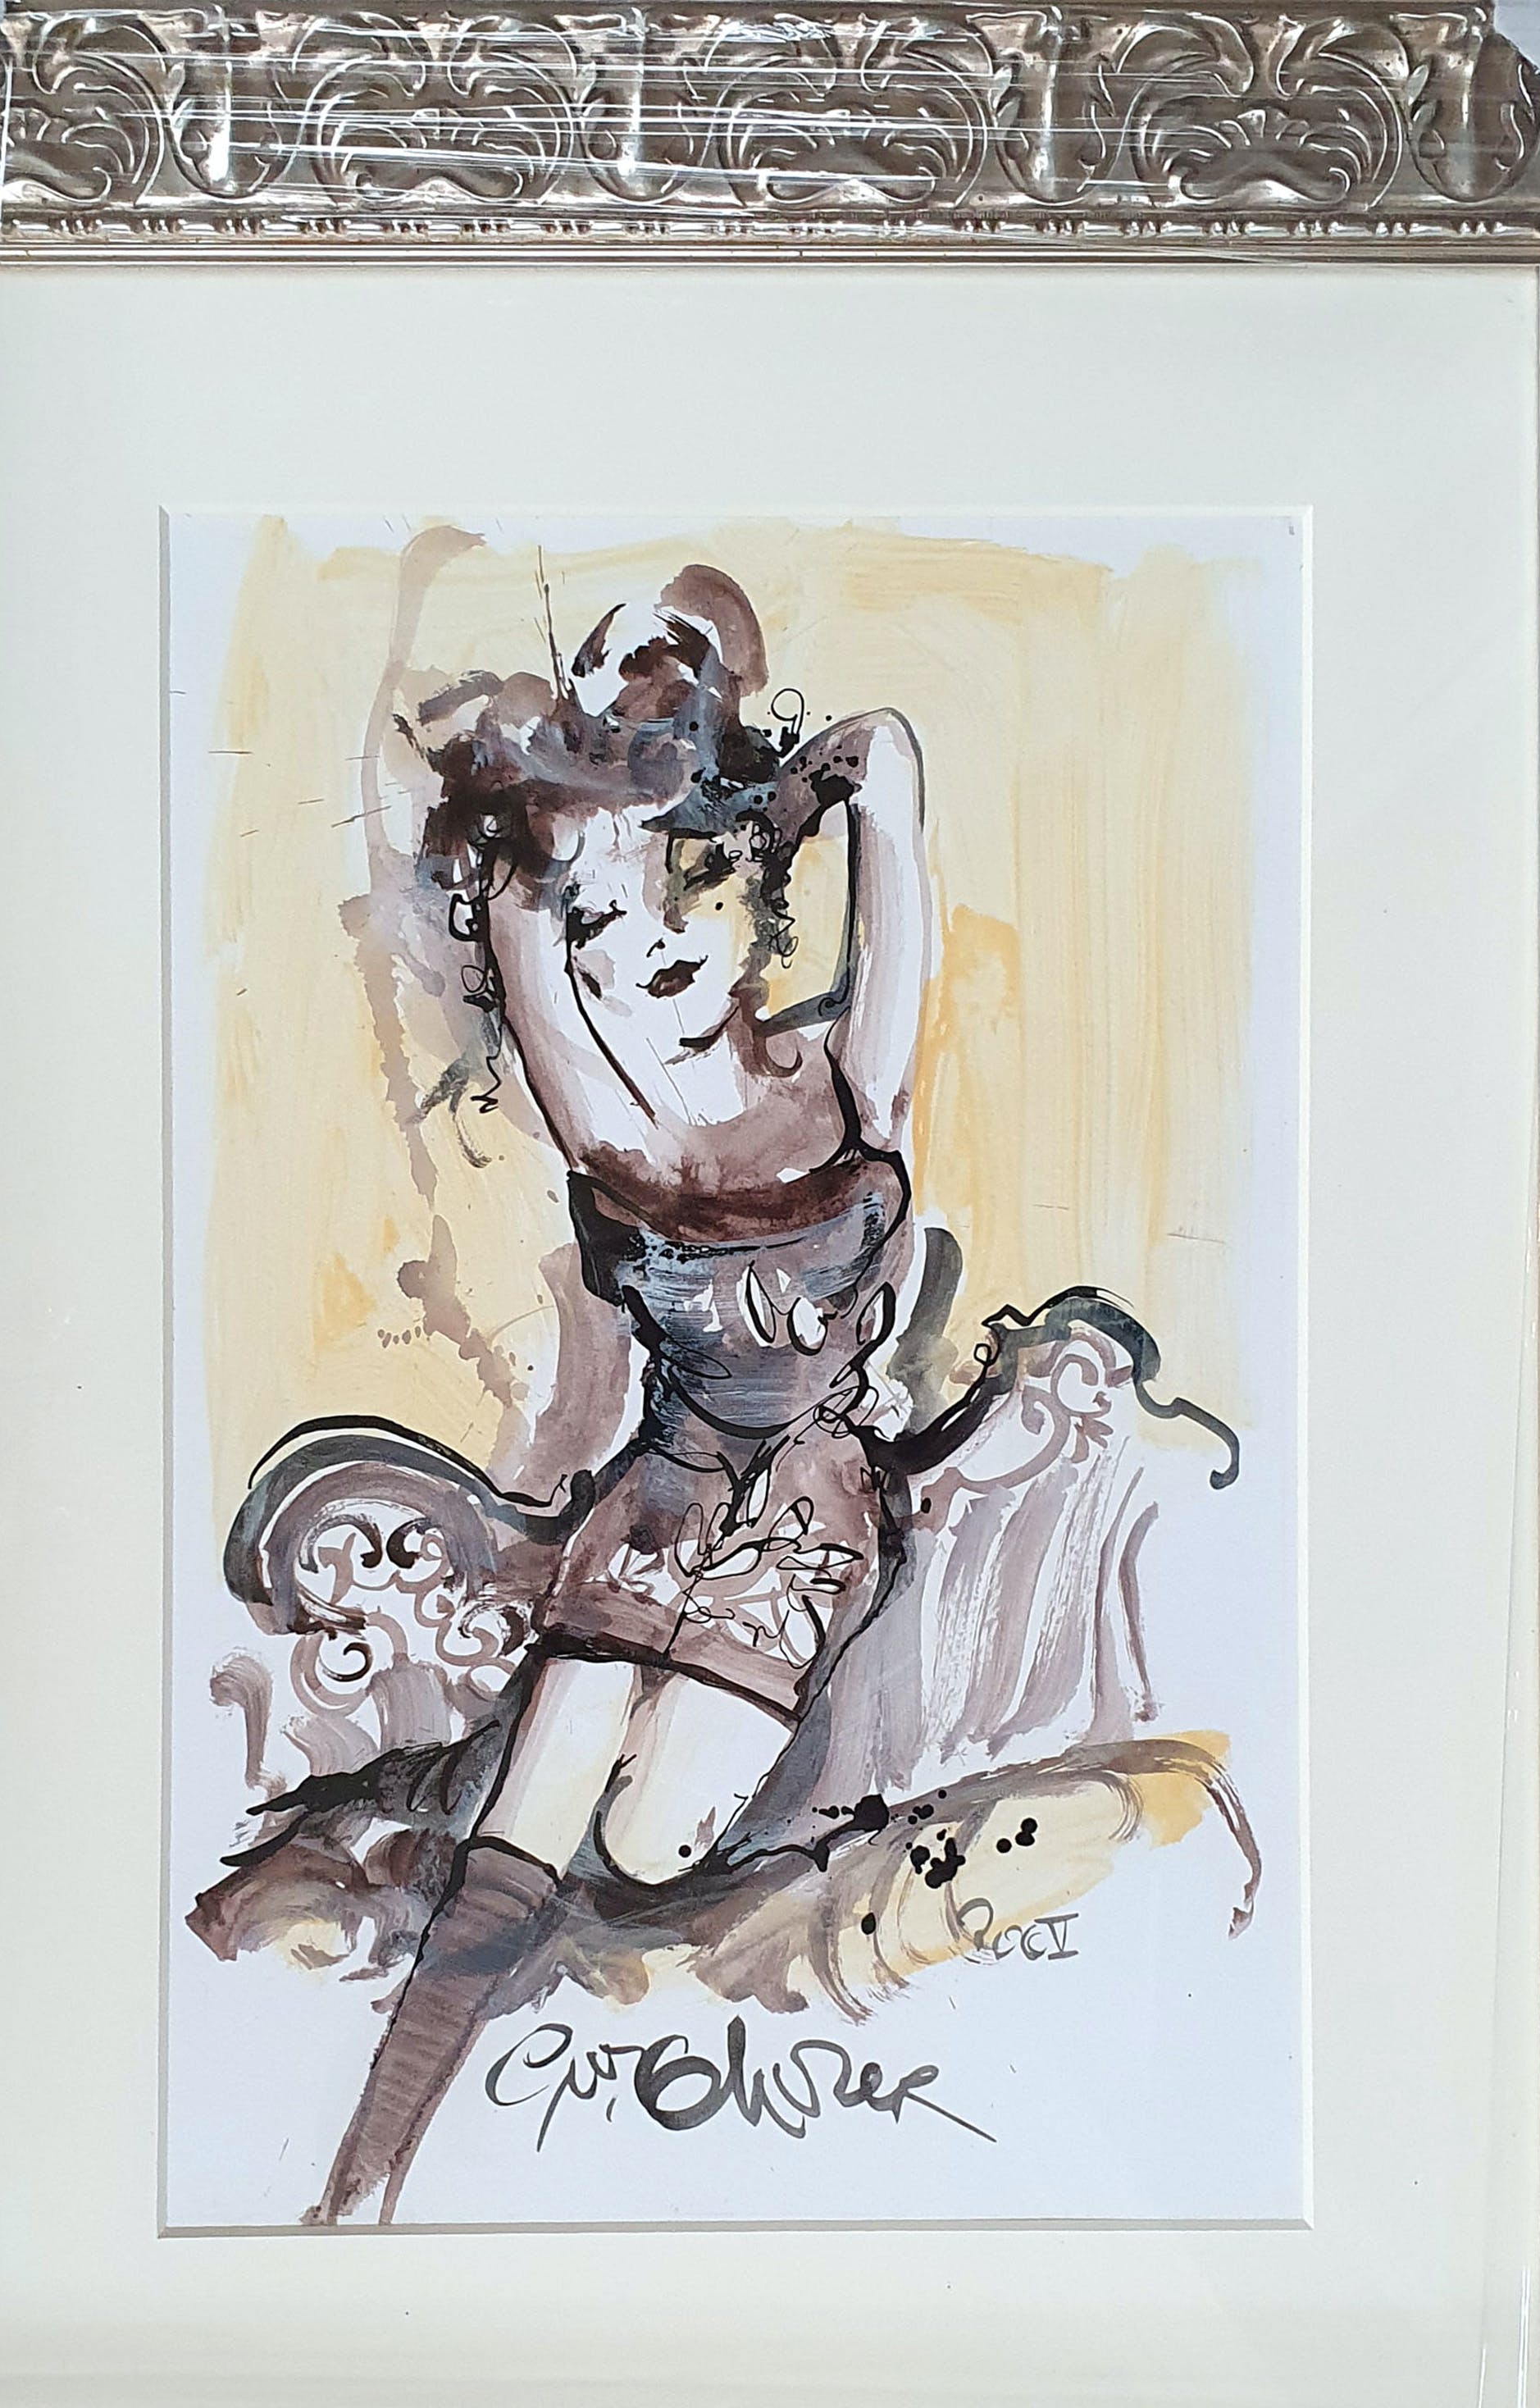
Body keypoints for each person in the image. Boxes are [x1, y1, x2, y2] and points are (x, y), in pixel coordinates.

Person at [306, 566, 942, 2224]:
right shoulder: (614, 1125)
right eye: (599, 930)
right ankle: (361, 2179)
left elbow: (887, 766)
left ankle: (570, 1828)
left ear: (741, 894)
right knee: (534, 1804)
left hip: (807, 1512)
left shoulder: (848, 1074)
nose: (645, 942)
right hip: (660, 1498)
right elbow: (526, 927)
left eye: (676, 892)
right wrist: (553, 829)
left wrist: (746, 760)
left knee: (654, 1842)